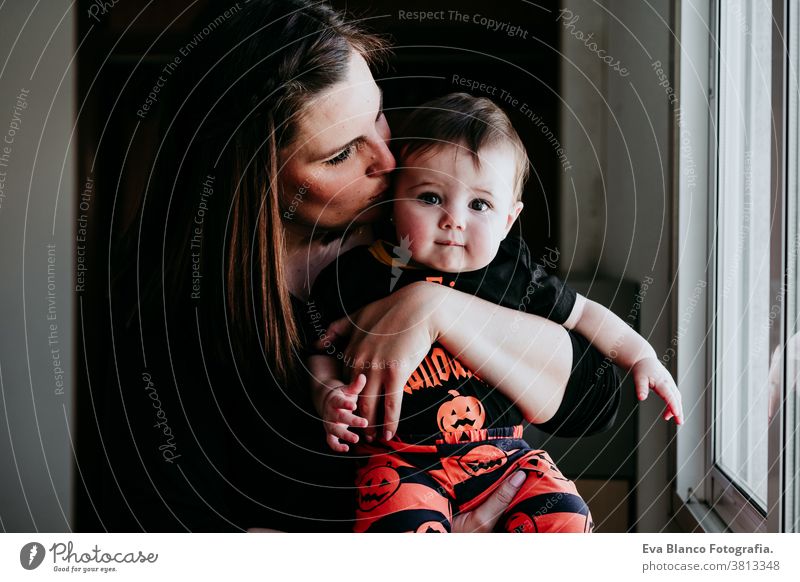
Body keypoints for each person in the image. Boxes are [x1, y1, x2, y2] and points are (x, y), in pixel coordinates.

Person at [109, 0, 639, 533]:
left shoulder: (426, 226)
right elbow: (183, 538)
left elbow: (592, 402)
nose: (388, 160)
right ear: (255, 175)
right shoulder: (173, 324)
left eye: (379, 115)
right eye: (341, 154)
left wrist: (434, 307)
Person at [307, 93, 683, 533]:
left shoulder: (513, 273)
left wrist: (641, 357)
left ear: (508, 219)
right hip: (401, 461)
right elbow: (322, 352)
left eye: (479, 204)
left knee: (566, 516)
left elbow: (585, 316)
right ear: (394, 202)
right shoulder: (359, 275)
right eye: (429, 197)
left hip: (505, 458)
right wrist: (328, 394)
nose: (454, 220)